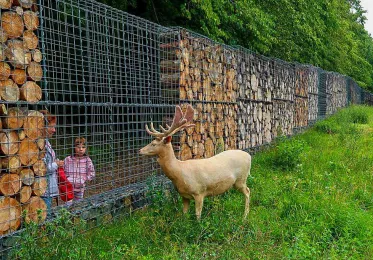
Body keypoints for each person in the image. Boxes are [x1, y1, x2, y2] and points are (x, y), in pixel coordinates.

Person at [40, 110, 63, 211]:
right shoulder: (38, 145)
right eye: (51, 126)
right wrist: (56, 164)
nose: (54, 130)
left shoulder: (46, 142)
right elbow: (41, 169)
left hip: (48, 189)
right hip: (43, 190)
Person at [64, 137, 95, 205]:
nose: (81, 149)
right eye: (78, 147)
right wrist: (67, 180)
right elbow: (63, 172)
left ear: (86, 148)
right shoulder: (68, 159)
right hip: (68, 188)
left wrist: (83, 179)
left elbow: (92, 173)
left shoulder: (87, 160)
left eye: (83, 147)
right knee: (68, 205)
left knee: (78, 205)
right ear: (74, 147)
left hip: (80, 188)